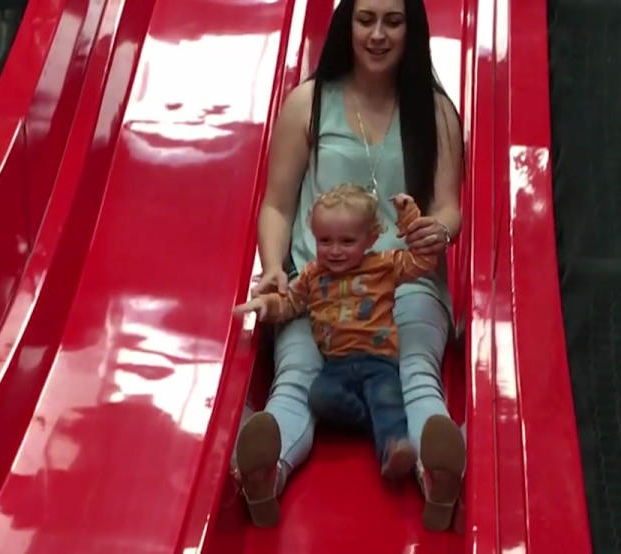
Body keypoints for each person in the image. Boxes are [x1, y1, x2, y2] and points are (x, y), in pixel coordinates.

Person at [232, 0, 465, 532]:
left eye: (393, 21)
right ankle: (266, 469)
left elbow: (448, 205)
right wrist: (274, 267)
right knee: (294, 377)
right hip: (320, 284)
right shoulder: (310, 104)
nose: (378, 34)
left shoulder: (433, 111)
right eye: (366, 20)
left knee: (416, 372)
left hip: (403, 279)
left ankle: (437, 471)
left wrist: (441, 229)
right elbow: (277, 204)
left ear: (413, 29)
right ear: (347, 26)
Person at [235, 185, 434, 484]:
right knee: (319, 396)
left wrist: (408, 217)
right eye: (325, 241)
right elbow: (291, 304)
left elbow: (423, 262)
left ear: (371, 238)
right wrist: (267, 306)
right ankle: (372, 422)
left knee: (387, 397)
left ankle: (393, 453)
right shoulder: (312, 275)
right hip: (336, 366)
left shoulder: (384, 266)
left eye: (347, 241)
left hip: (379, 362)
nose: (335, 250)